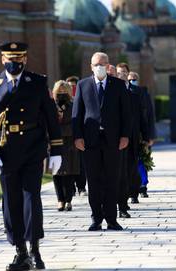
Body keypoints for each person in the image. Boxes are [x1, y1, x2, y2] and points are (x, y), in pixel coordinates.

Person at [0, 41, 63, 271]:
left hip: (32, 148)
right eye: (10, 60)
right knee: (11, 201)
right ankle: (20, 252)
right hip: (4, 151)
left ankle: (35, 250)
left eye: (18, 59)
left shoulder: (37, 82)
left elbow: (51, 118)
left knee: (31, 198)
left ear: (25, 59)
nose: (14, 63)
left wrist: (56, 150)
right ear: (2, 60)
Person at [72, 52, 131, 231]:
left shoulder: (119, 85)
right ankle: (96, 218)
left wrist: (125, 135)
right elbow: (77, 114)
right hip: (90, 141)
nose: (100, 66)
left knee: (112, 180)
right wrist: (78, 136)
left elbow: (126, 114)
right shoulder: (83, 85)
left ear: (108, 65)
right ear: (91, 66)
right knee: (94, 180)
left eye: (103, 63)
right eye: (96, 64)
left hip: (113, 141)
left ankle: (112, 219)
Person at [116, 63, 150, 218]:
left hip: (133, 135)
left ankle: (133, 192)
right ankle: (121, 200)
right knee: (119, 169)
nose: (122, 74)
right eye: (119, 72)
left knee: (131, 166)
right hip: (116, 137)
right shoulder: (113, 90)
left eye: (124, 72)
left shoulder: (136, 93)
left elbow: (143, 116)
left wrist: (146, 135)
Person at [128, 71, 157, 198]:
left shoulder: (143, 93)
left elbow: (150, 115)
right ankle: (133, 188)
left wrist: (150, 135)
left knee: (143, 160)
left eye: (134, 79)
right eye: (129, 79)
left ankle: (143, 186)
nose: (131, 81)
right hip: (130, 134)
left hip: (142, 133)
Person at [52, 80, 80, 211]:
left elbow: (75, 125)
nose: (61, 94)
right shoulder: (51, 106)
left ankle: (68, 199)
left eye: (64, 91)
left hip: (69, 144)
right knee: (56, 173)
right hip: (54, 143)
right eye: (59, 92)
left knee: (69, 173)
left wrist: (62, 128)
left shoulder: (73, 105)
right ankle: (59, 200)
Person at [66, 76, 87, 196]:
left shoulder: (80, 100)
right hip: (67, 137)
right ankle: (71, 188)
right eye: (70, 86)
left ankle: (81, 187)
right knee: (69, 163)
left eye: (74, 86)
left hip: (79, 135)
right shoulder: (63, 101)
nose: (72, 89)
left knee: (80, 163)